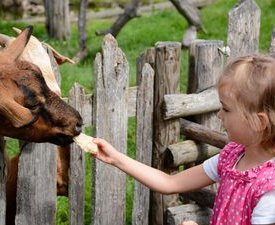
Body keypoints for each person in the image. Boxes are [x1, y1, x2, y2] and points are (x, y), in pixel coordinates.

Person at [92, 54, 275, 225]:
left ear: (259, 122)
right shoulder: (232, 157)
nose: (219, 115)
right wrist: (115, 157)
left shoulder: (269, 190)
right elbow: (170, 182)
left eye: (226, 109)